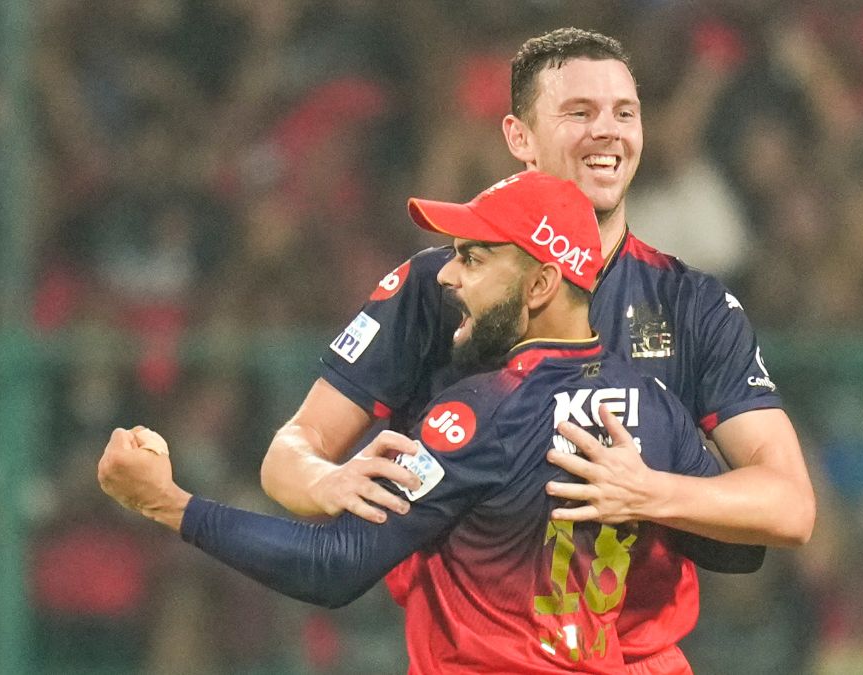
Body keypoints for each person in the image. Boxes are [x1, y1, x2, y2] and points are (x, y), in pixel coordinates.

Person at [100, 171, 739, 673]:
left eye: (474, 259)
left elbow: (334, 567)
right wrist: (654, 495)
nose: (448, 275)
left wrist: (170, 504)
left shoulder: (480, 412)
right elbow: (737, 551)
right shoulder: (657, 408)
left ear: (541, 284)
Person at [260, 29, 813, 545]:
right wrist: (323, 481)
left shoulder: (692, 303)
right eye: (580, 112)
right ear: (519, 137)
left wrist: (651, 493)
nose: (608, 131)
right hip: (462, 620)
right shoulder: (436, 287)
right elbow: (291, 451)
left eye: (625, 113)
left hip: (634, 624)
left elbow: (790, 505)